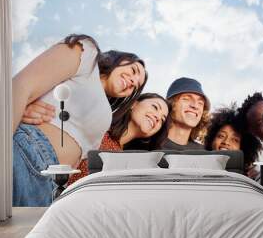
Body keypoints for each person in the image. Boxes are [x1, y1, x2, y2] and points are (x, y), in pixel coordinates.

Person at [12, 34, 147, 206]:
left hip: (52, 188)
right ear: (120, 59)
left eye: (136, 86)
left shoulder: (105, 115)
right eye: (134, 71)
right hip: (27, 155)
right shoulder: (88, 54)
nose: (133, 81)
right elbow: (22, 85)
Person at [67, 93, 170, 185]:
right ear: (134, 103)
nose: (157, 117)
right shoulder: (98, 127)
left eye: (162, 119)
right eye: (155, 107)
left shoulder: (126, 163)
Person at [204, 106, 262, 174]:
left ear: (243, 149)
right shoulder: (198, 169)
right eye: (221, 136)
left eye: (235, 140)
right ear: (212, 140)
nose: (226, 142)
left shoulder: (251, 178)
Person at [161, 77, 210, 150]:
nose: (195, 106)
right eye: (186, 99)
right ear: (170, 105)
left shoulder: (205, 154)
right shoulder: (148, 144)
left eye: (200, 103)